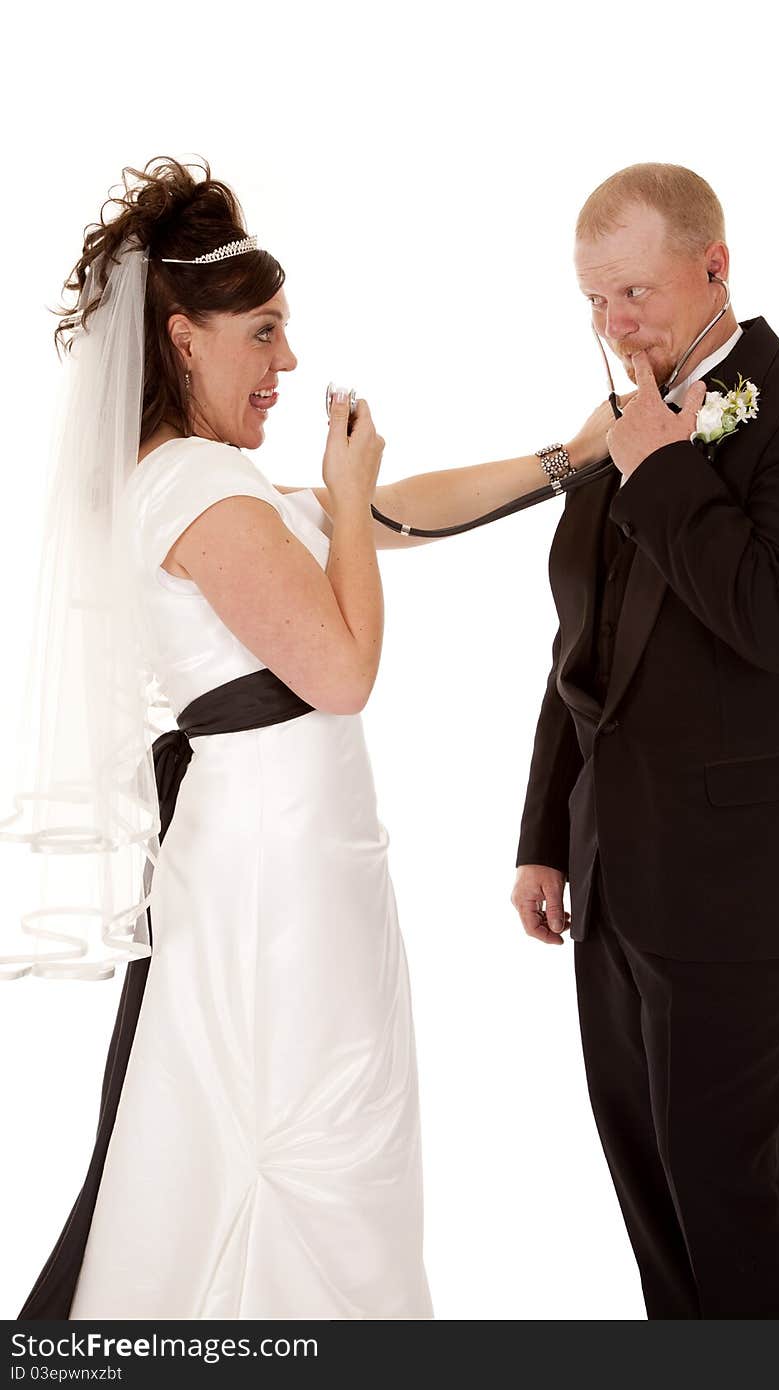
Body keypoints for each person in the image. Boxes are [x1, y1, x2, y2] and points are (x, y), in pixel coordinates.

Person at [8, 156, 613, 1321]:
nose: (287, 362)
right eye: (265, 333)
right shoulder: (196, 489)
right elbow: (341, 671)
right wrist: (344, 484)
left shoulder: (216, 482)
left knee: (317, 1114)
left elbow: (384, 516)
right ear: (184, 338)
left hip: (293, 855)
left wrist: (567, 458)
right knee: (298, 1134)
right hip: (269, 873)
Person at [511, 162, 779, 1319]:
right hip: (614, 873)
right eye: (592, 301)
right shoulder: (617, 429)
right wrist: (542, 836)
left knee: (737, 1202)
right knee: (657, 1200)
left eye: (632, 293)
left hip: (742, 884)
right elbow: (584, 649)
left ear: (714, 266)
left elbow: (776, 618)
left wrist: (663, 466)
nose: (612, 327)